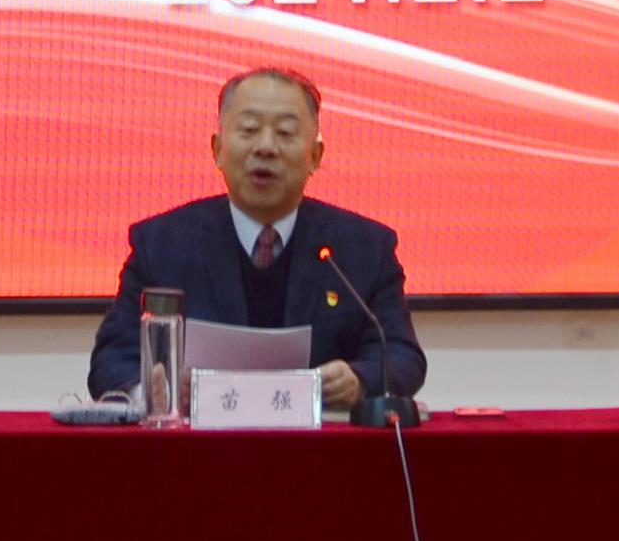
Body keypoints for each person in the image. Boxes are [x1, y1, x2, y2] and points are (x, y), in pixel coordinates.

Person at [86, 66, 426, 413]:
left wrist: (359, 380)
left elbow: (402, 355)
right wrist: (148, 392)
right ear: (218, 149)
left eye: (285, 132)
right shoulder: (162, 245)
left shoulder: (365, 249)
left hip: (320, 443)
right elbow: (111, 359)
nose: (265, 147)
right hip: (200, 443)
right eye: (249, 130)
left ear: (315, 157)